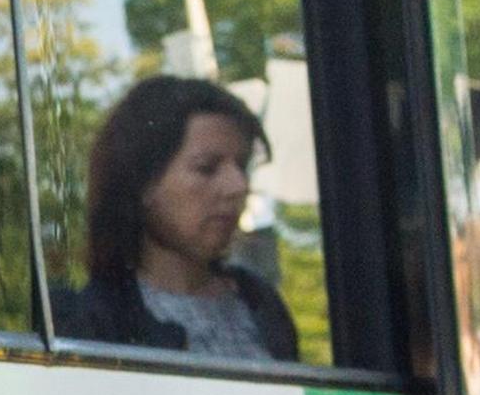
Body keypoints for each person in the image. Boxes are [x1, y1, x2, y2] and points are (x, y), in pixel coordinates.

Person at [55, 76, 300, 362]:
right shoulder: (96, 319)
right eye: (206, 168)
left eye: (242, 166)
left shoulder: (259, 302)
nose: (238, 186)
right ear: (143, 183)